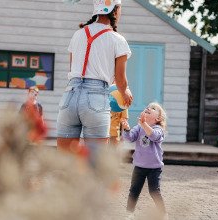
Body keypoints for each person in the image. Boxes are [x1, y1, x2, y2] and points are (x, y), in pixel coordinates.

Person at [56, 0, 133, 154]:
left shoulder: (78, 34)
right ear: (116, 11)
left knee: (64, 160)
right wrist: (125, 93)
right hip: (96, 98)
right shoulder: (118, 40)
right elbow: (120, 80)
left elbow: (73, 69)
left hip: (69, 96)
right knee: (95, 164)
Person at [121, 102, 169, 220]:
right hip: (139, 166)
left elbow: (153, 136)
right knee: (134, 191)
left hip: (154, 168)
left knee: (154, 191)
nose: (148, 108)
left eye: (153, 108)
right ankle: (129, 213)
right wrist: (126, 129)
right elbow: (130, 138)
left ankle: (163, 214)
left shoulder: (158, 129)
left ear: (158, 118)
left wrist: (143, 124)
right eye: (147, 107)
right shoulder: (138, 128)